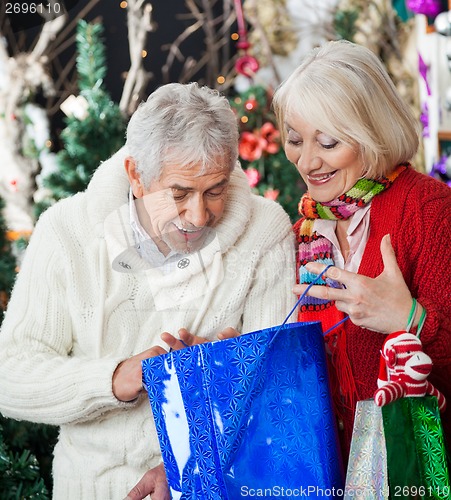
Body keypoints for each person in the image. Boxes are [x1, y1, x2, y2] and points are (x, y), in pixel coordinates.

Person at [0, 82, 296, 499]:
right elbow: (9, 375)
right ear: (136, 175)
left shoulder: (265, 232)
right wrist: (115, 378)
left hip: (213, 487)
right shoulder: (64, 231)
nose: (199, 215)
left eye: (215, 190)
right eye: (179, 193)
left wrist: (222, 371)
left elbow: (280, 390)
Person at [271, 39, 451, 463]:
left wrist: (411, 320)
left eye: (328, 143)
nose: (307, 162)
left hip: (415, 466)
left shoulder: (429, 208)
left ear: (373, 133)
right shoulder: (305, 230)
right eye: (295, 139)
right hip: (330, 467)